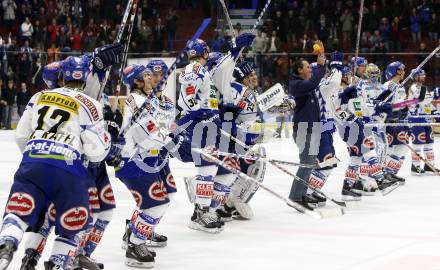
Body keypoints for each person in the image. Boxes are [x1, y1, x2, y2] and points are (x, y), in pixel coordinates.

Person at [0, 55, 111, 269]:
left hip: (34, 161)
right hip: (69, 169)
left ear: (62, 76)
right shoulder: (92, 104)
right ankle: (57, 264)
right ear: (85, 77)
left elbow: (22, 135)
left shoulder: (39, 96)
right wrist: (105, 138)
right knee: (72, 226)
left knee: (19, 212)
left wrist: (39, 152)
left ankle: (8, 242)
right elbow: (96, 152)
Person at [286, 41, 326, 209]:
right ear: (299, 70)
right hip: (304, 130)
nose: (311, 69)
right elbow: (313, 82)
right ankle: (295, 196)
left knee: (309, 164)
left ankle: (301, 194)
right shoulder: (296, 85)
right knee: (306, 163)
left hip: (312, 129)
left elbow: (318, 75)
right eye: (308, 67)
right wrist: (320, 61)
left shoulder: (306, 83)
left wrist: (321, 56)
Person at [376, 61, 408, 184]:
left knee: (402, 146)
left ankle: (389, 172)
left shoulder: (401, 86)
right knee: (387, 147)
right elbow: (380, 103)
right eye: (401, 70)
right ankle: (382, 173)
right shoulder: (387, 85)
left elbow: (401, 103)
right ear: (396, 71)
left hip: (398, 121)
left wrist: (404, 108)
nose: (404, 72)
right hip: (386, 121)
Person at [407, 69, 436, 175]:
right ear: (415, 77)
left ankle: (429, 165)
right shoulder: (413, 88)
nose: (424, 76)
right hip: (417, 118)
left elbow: (427, 104)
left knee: (430, 143)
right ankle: (415, 166)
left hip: (426, 118)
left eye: (424, 74)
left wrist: (434, 111)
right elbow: (420, 100)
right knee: (418, 143)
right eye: (421, 75)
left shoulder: (424, 88)